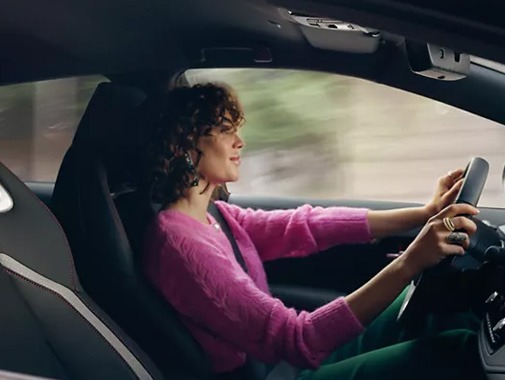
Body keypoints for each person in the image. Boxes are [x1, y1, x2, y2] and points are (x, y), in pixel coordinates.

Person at [141, 83, 485, 380]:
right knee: (458, 352)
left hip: (281, 364)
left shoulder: (215, 216)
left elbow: (306, 225)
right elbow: (298, 339)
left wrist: (423, 214)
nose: (240, 142)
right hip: (278, 372)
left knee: (435, 309)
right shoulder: (180, 245)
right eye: (226, 130)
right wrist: (410, 261)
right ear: (187, 144)